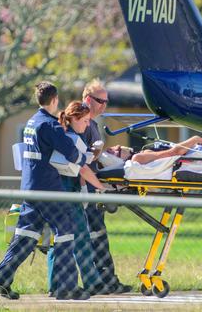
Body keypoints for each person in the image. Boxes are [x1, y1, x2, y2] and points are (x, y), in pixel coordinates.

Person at [0, 82, 90, 300]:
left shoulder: (31, 122)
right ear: (54, 100)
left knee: (25, 237)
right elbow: (70, 152)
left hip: (29, 189)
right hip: (48, 190)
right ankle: (66, 287)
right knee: (66, 232)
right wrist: (85, 158)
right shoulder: (50, 125)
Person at [46, 101, 109, 296]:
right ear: (73, 118)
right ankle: (92, 282)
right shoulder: (71, 139)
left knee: (60, 240)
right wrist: (101, 187)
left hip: (60, 191)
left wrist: (84, 188)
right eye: (85, 120)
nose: (88, 125)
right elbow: (82, 168)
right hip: (67, 193)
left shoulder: (63, 136)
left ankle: (55, 285)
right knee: (81, 237)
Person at [79, 80, 131, 293]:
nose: (104, 106)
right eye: (101, 101)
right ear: (88, 99)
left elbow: (90, 157)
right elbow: (80, 162)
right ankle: (101, 282)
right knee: (92, 236)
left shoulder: (91, 124)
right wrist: (95, 187)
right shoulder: (81, 123)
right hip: (84, 188)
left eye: (107, 102)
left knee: (98, 235)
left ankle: (106, 281)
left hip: (91, 187)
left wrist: (108, 154)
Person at [106, 135, 202, 165]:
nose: (118, 145)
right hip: (196, 156)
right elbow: (173, 153)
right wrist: (195, 139)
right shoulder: (138, 158)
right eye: (113, 150)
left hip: (195, 154)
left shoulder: (140, 155)